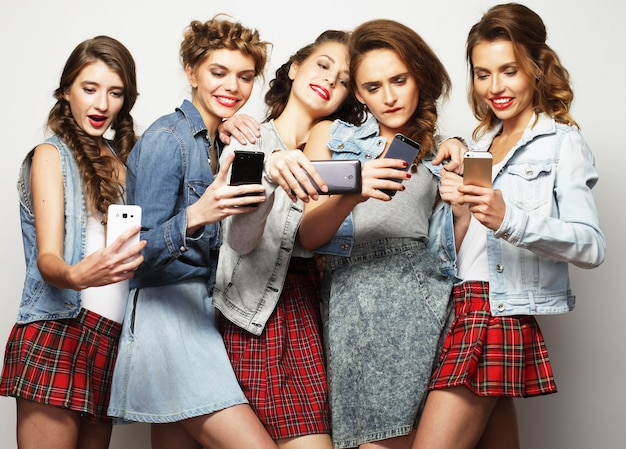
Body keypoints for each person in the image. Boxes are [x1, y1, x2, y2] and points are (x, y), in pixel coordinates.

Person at [411, 4, 606, 449]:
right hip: (456, 307)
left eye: (509, 71)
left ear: (537, 69)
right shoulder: (477, 144)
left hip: (495, 312)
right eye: (482, 74)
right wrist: (457, 212)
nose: (494, 87)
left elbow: (592, 246)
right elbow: (461, 250)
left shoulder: (562, 144)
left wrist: (510, 219)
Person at [106, 17, 279, 449]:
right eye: (218, 73)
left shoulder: (218, 142)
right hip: (167, 314)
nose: (233, 87)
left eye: (244, 77)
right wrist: (196, 215)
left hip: (201, 311)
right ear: (191, 71)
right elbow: (133, 257)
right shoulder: (168, 138)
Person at [298, 19, 456, 449]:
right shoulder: (330, 135)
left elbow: (453, 245)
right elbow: (309, 237)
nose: (388, 97)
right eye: (372, 86)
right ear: (358, 92)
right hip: (350, 303)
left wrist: (461, 155)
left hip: (423, 302)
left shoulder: (438, 154)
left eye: (399, 80)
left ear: (419, 76)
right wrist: (353, 192)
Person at [213, 30, 365, 449]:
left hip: (310, 311)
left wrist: (456, 144)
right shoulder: (245, 140)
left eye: (345, 80)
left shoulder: (347, 150)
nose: (331, 81)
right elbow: (238, 242)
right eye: (323, 65)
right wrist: (269, 172)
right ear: (296, 67)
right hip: (250, 312)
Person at [0, 36, 146, 449]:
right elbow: (48, 259)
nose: (102, 104)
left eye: (115, 92)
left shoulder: (126, 165)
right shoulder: (51, 155)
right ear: (66, 91)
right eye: (89, 88)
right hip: (60, 330)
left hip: (109, 339)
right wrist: (75, 274)